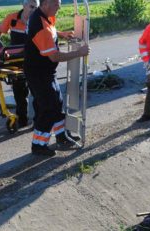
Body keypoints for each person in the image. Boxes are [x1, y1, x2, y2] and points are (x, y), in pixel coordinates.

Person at [24, 0, 89, 156]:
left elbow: (51, 31)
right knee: (48, 108)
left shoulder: (44, 16)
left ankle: (62, 137)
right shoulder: (40, 26)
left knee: (57, 103)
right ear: (46, 4)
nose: (59, 7)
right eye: (56, 4)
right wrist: (79, 53)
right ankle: (38, 146)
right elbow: (54, 56)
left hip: (45, 72)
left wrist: (61, 34)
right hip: (39, 74)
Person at [0, 0, 40, 127]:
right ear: (24, 5)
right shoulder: (12, 18)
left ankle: (38, 122)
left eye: (36, 8)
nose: (33, 10)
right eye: (31, 7)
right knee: (19, 91)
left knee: (36, 92)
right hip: (15, 61)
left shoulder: (39, 19)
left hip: (33, 60)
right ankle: (22, 120)